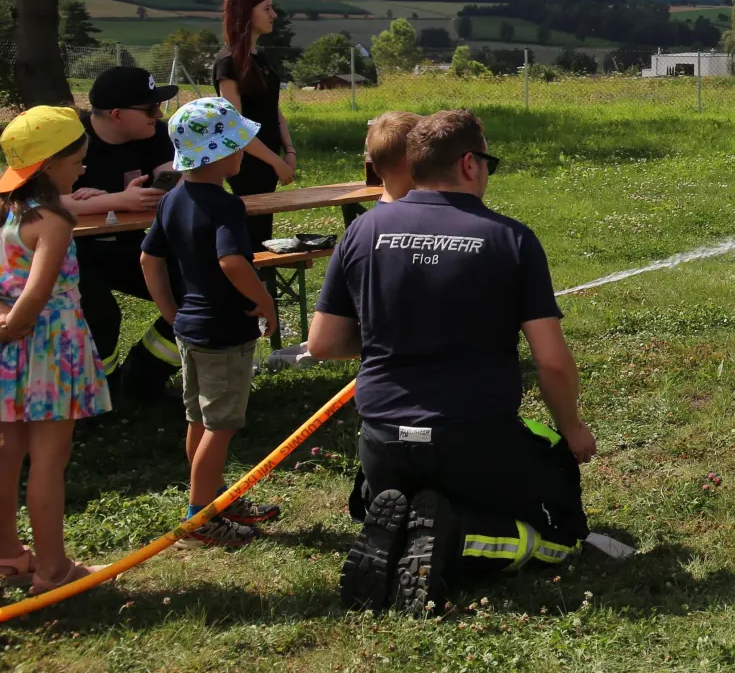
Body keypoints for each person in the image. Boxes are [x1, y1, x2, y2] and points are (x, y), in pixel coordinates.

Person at [308, 109, 595, 616]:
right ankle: (456, 535)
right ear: (469, 164)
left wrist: (394, 336)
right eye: (488, 162)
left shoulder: (363, 231)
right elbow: (551, 361)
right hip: (473, 441)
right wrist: (570, 428)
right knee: (561, 537)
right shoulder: (511, 238)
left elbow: (324, 343)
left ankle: (400, 530)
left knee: (404, 499)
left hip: (383, 444)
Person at [140, 98, 283, 549]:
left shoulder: (172, 199)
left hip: (190, 328)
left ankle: (213, 499)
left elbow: (149, 258)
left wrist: (168, 310)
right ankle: (200, 519)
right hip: (224, 333)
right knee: (221, 425)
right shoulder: (226, 206)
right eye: (239, 143)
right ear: (220, 154)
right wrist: (265, 302)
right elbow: (232, 262)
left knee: (199, 419)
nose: (244, 151)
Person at [0, 107, 111, 593]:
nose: (82, 169)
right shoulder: (55, 219)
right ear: (49, 165)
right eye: (77, 161)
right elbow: (37, 294)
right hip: (49, 348)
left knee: (8, 450)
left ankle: (7, 553)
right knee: (49, 457)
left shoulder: (8, 213)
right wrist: (13, 327)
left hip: (9, 352)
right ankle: (52, 570)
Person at [265, 110, 420, 374]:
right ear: (414, 161)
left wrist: (377, 342)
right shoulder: (450, 226)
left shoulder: (357, 233)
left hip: (382, 385)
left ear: (372, 163)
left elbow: (324, 342)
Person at [62, 66, 182, 405]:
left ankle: (143, 377)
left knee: (198, 291)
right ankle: (101, 392)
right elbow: (25, 202)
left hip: (131, 247)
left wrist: (173, 181)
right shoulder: (69, 138)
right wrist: (117, 200)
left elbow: (169, 175)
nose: (158, 114)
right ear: (116, 115)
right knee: (101, 316)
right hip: (72, 255)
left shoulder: (154, 133)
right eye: (149, 108)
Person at [213, 0, 296, 252]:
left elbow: (273, 108)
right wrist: (276, 162)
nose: (274, 15)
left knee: (263, 233)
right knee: (252, 238)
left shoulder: (260, 56)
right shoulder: (228, 63)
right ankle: (252, 289)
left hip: (269, 160)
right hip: (247, 164)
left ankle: (264, 288)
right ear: (246, 13)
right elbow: (234, 127)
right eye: (267, 9)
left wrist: (289, 151)